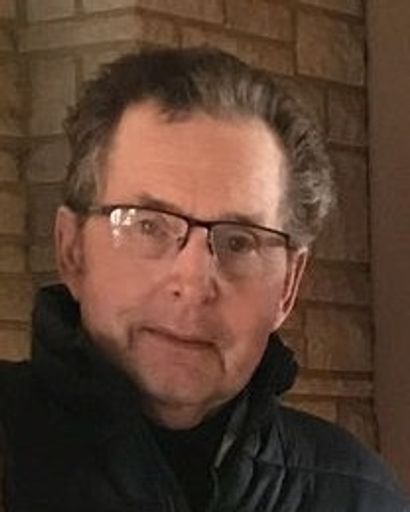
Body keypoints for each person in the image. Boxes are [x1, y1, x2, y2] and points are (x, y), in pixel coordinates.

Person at [0, 46, 408, 512]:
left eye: (239, 242)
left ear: (287, 287)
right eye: (147, 225)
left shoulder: (360, 498)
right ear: (72, 250)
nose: (193, 283)